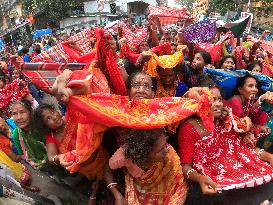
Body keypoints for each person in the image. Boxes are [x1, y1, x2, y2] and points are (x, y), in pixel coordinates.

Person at [178, 86, 273, 205]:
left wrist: (269, 157)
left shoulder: (227, 121)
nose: (218, 104)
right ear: (198, 102)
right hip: (212, 183)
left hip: (238, 172)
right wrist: (200, 178)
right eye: (212, 99)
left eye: (219, 99)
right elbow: (186, 167)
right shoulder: (188, 128)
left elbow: (244, 149)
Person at [109, 128, 188, 204]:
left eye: (165, 144)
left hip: (165, 190)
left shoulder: (170, 154)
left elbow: (178, 184)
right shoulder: (122, 157)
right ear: (144, 155)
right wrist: (117, 195)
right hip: (140, 192)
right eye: (160, 151)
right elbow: (107, 171)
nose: (167, 150)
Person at [9, 99, 47, 169]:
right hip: (41, 166)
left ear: (30, 112)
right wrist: (31, 162)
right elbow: (22, 153)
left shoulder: (42, 123)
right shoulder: (16, 134)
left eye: (22, 112)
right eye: (14, 114)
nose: (19, 117)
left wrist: (47, 159)